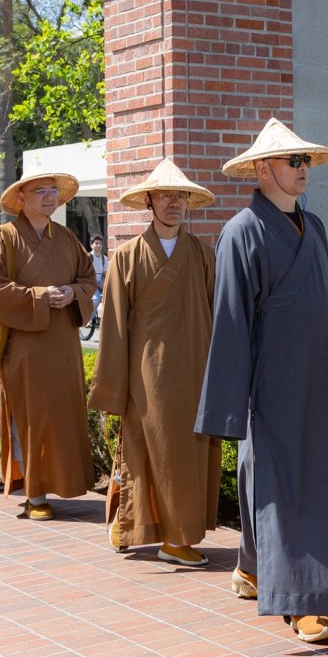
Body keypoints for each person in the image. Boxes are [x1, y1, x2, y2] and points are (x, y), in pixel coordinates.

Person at [196, 119, 328, 645]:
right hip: (275, 386)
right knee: (281, 484)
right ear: (263, 170)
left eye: (305, 162)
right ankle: (302, 600)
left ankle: (272, 574)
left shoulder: (316, 227)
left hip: (321, 382)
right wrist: (231, 408)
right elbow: (231, 322)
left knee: (326, 486)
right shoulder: (240, 232)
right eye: (293, 162)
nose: (303, 171)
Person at [90, 159, 220, 564]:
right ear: (148, 201)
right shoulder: (127, 257)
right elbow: (112, 325)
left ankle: (139, 527)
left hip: (197, 368)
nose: (173, 203)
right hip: (148, 375)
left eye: (180, 195)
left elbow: (218, 313)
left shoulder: (202, 253)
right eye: (165, 195)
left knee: (188, 452)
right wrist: (114, 387)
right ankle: (169, 538)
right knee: (154, 450)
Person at [0, 172, 96, 519]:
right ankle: (35, 493)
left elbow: (88, 278)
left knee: (64, 413)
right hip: (25, 343)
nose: (48, 197)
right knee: (32, 416)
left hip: (63, 341)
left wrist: (73, 293)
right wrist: (42, 297)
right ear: (22, 198)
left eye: (52, 191)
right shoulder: (3, 238)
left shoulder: (65, 236)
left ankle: (66, 481)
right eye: (40, 191)